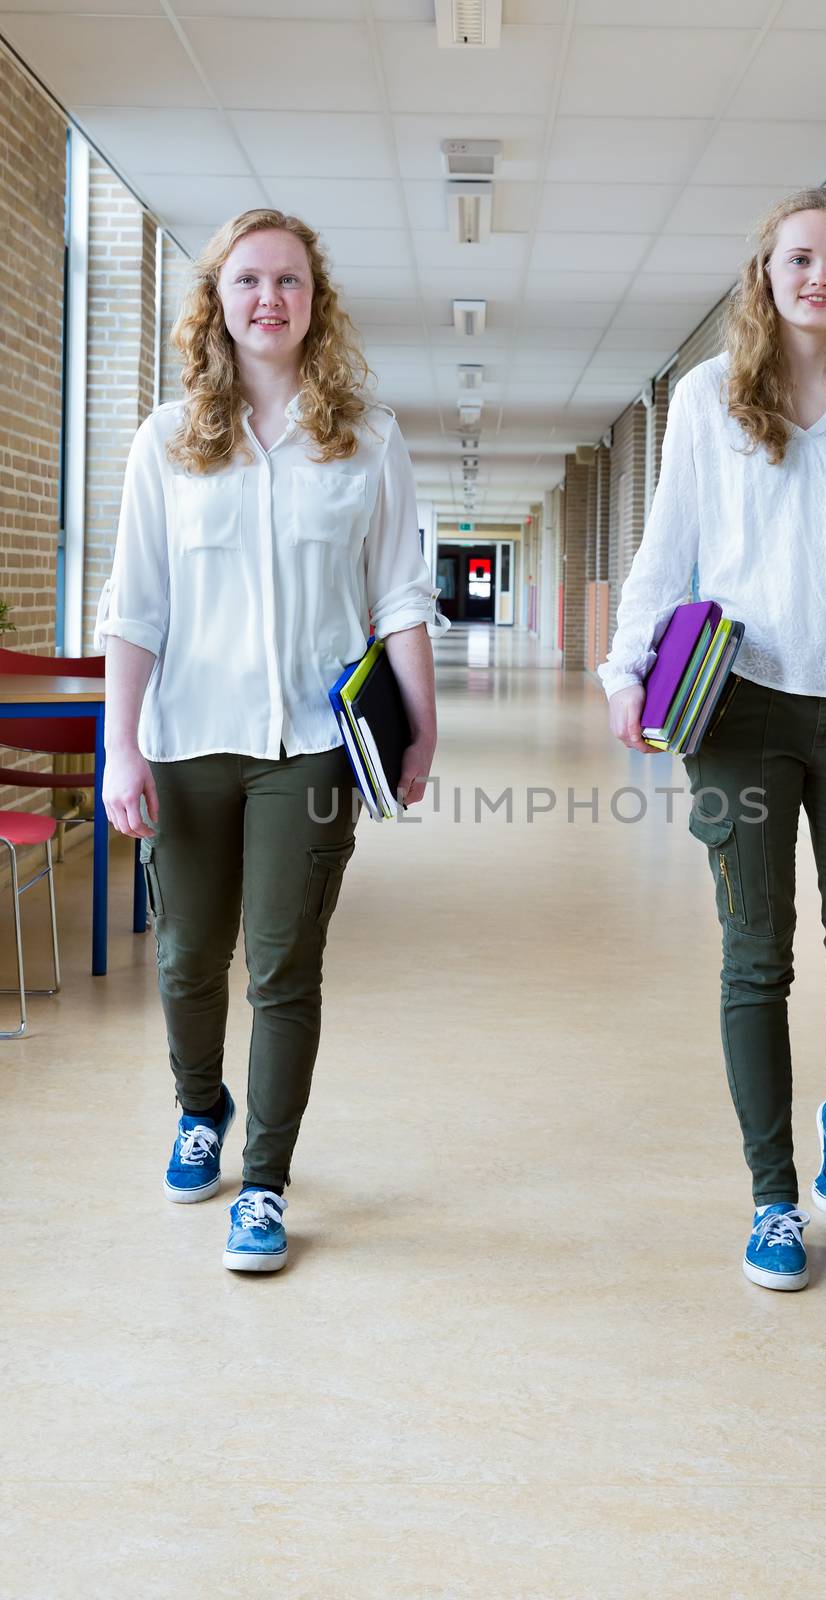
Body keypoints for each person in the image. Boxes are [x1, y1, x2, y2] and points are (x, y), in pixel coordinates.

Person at [598, 187, 826, 1292]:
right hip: (741, 707)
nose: (818, 277)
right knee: (753, 957)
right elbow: (668, 549)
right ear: (763, 271)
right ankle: (772, 1199)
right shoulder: (710, 397)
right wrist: (625, 666)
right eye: (798, 258)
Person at [96, 208, 448, 1274]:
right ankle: (201, 1106)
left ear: (315, 301)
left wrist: (420, 724)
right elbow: (134, 607)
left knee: (285, 967)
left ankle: (264, 1181)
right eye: (248, 281)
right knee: (190, 955)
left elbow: (396, 591)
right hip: (189, 739)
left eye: (289, 282)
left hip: (312, 746)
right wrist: (121, 748)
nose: (268, 299)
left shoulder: (368, 437)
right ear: (218, 300)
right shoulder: (164, 441)